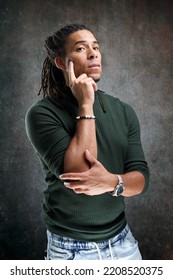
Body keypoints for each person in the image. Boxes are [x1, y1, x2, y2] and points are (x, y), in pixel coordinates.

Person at [25, 23, 150, 260]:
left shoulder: (123, 111)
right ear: (61, 63)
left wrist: (111, 182)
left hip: (123, 243)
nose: (93, 53)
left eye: (96, 47)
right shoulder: (42, 113)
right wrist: (85, 104)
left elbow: (142, 179)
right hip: (70, 250)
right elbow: (80, 173)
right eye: (81, 48)